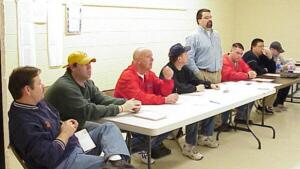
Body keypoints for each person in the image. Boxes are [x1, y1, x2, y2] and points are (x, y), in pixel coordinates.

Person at [8, 66, 136, 169]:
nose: (43, 85)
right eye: (39, 83)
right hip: (63, 161)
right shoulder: (22, 123)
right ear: (27, 90)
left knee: (109, 128)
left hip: (73, 145)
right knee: (107, 163)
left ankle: (116, 162)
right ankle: (117, 163)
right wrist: (65, 133)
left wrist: (65, 124)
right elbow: (47, 158)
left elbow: (54, 120)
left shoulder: (38, 103)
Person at [45, 51, 141, 131]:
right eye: (85, 64)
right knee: (108, 130)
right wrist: (121, 108)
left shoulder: (87, 83)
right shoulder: (65, 86)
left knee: (110, 129)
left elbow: (102, 99)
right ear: (73, 67)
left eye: (90, 64)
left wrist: (127, 102)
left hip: (77, 125)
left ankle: (117, 154)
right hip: (61, 132)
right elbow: (88, 111)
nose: (89, 67)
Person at [114, 48, 178, 164]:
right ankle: (117, 153)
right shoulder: (127, 76)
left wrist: (168, 80)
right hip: (125, 116)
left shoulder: (149, 74)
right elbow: (140, 98)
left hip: (142, 113)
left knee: (168, 127)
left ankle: (134, 150)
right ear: (138, 60)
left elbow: (163, 91)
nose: (152, 59)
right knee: (149, 135)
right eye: (149, 56)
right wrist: (164, 100)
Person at [159, 43, 219, 160]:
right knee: (194, 115)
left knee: (210, 107)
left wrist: (209, 84)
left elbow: (195, 80)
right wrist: (195, 88)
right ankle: (189, 147)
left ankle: (204, 137)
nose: (188, 55)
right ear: (179, 58)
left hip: (185, 100)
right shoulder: (167, 70)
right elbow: (177, 88)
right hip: (170, 104)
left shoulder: (184, 68)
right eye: (185, 54)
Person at [221, 43, 257, 129]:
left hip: (235, 86)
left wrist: (251, 72)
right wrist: (247, 75)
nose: (239, 56)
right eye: (237, 53)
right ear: (231, 51)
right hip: (224, 88)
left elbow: (247, 68)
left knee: (252, 94)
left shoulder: (239, 60)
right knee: (228, 100)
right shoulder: (224, 60)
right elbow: (230, 75)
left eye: (241, 54)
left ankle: (241, 117)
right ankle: (223, 123)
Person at [186, 8, 222, 84]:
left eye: (210, 17)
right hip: (203, 74)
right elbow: (189, 59)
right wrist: (198, 74)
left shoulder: (216, 34)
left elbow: (219, 53)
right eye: (206, 18)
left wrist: (220, 68)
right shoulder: (193, 36)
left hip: (217, 75)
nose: (209, 20)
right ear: (199, 20)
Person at [243, 38, 277, 114]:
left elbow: (272, 69)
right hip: (247, 81)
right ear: (253, 47)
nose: (262, 48)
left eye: (263, 46)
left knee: (274, 87)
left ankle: (263, 106)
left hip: (258, 79)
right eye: (260, 46)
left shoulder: (261, 56)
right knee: (270, 87)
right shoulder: (249, 55)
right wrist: (265, 69)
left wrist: (270, 57)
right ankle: (261, 107)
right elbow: (256, 70)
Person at [270, 41, 291, 112]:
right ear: (272, 49)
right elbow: (271, 68)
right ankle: (274, 104)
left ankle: (280, 103)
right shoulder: (267, 56)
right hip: (269, 76)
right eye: (277, 51)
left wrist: (288, 65)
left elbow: (284, 63)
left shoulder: (279, 56)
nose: (279, 53)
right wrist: (282, 67)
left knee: (287, 84)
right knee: (278, 85)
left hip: (277, 75)